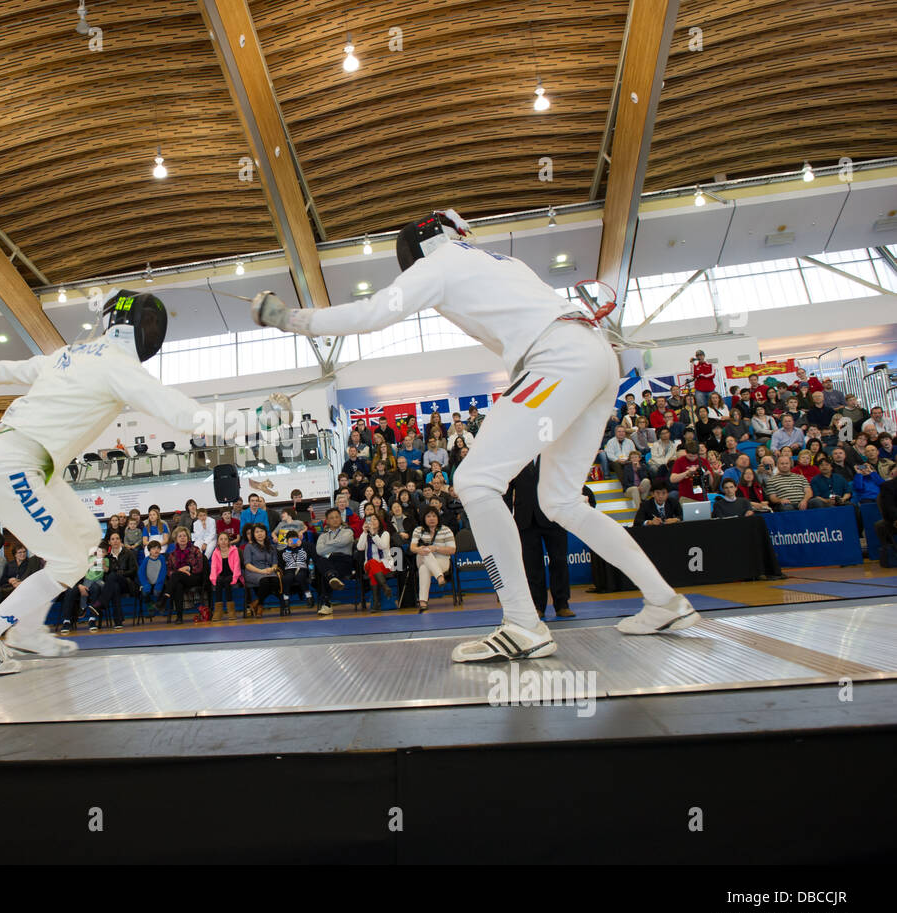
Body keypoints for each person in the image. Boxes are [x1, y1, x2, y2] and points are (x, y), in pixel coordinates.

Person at [253, 210, 698, 659]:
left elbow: (372, 313)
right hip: (597, 357)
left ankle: (524, 625)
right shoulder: (500, 262)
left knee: (474, 481)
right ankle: (664, 600)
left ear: (418, 251)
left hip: (557, 359)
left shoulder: (438, 263)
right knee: (560, 501)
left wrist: (288, 318)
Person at [0, 289, 208, 674]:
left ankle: (26, 632)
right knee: (67, 563)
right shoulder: (118, 366)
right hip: (15, 464)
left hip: (26, 463)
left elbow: (11, 369)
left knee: (83, 535)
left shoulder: (70, 355)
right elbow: (177, 409)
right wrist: (234, 423)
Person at [505, 459, 574, 620]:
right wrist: (507, 517)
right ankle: (537, 606)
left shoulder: (553, 454)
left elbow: (565, 483)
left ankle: (562, 604)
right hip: (525, 519)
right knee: (532, 566)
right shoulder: (516, 458)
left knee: (559, 561)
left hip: (553, 516)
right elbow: (507, 491)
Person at [409, 507, 454, 613]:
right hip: (422, 557)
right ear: (424, 518)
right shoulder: (418, 530)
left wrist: (436, 548)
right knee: (425, 550)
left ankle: (423, 601)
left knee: (424, 569)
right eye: (428, 516)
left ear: (438, 517)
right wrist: (418, 549)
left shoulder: (446, 530)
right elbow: (412, 547)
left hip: (442, 561)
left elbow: (452, 550)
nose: (431, 518)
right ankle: (440, 577)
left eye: (434, 516)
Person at [241, 523, 281, 617]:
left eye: (262, 531)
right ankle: (260, 607)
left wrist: (272, 569)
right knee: (265, 582)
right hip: (253, 572)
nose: (259, 534)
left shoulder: (271, 547)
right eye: (257, 532)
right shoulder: (249, 547)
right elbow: (247, 565)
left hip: (268, 571)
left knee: (275, 581)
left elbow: (275, 563)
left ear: (266, 533)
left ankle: (255, 603)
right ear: (253, 534)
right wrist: (261, 571)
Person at [208, 532, 242, 621]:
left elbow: (237, 566)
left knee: (227, 581)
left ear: (228, 541)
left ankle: (231, 610)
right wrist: (213, 579)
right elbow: (214, 567)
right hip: (221, 575)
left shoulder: (234, 551)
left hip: (232, 574)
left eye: (225, 539)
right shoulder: (215, 552)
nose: (223, 541)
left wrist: (235, 578)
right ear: (218, 542)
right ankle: (218, 611)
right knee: (219, 581)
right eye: (221, 539)